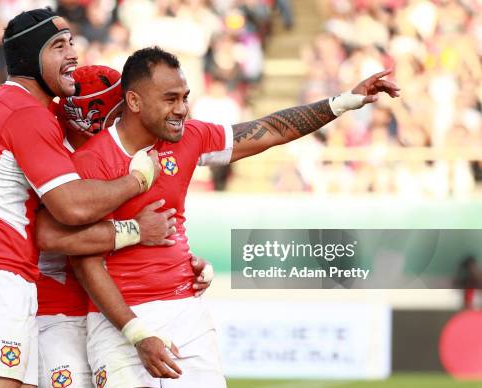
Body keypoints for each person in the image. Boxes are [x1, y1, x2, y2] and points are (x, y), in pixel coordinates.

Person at [39, 46, 399, 387]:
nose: (182, 109)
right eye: (170, 99)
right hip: (119, 323)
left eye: (184, 97)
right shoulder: (90, 163)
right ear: (133, 101)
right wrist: (138, 334)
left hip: (187, 311)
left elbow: (270, 130)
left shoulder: (188, 137)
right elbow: (86, 264)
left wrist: (342, 102)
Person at [0, 9, 169, 388]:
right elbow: (72, 206)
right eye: (58, 46)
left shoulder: (15, 105)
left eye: (72, 43)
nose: (73, 55)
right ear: (30, 57)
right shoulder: (25, 112)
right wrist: (136, 182)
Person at [34, 65, 214, 388]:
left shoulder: (121, 151)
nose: (127, 114)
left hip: (102, 308)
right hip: (57, 309)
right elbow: (51, 235)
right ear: (93, 112)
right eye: (117, 105)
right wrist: (136, 227)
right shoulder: (54, 157)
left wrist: (185, 263)